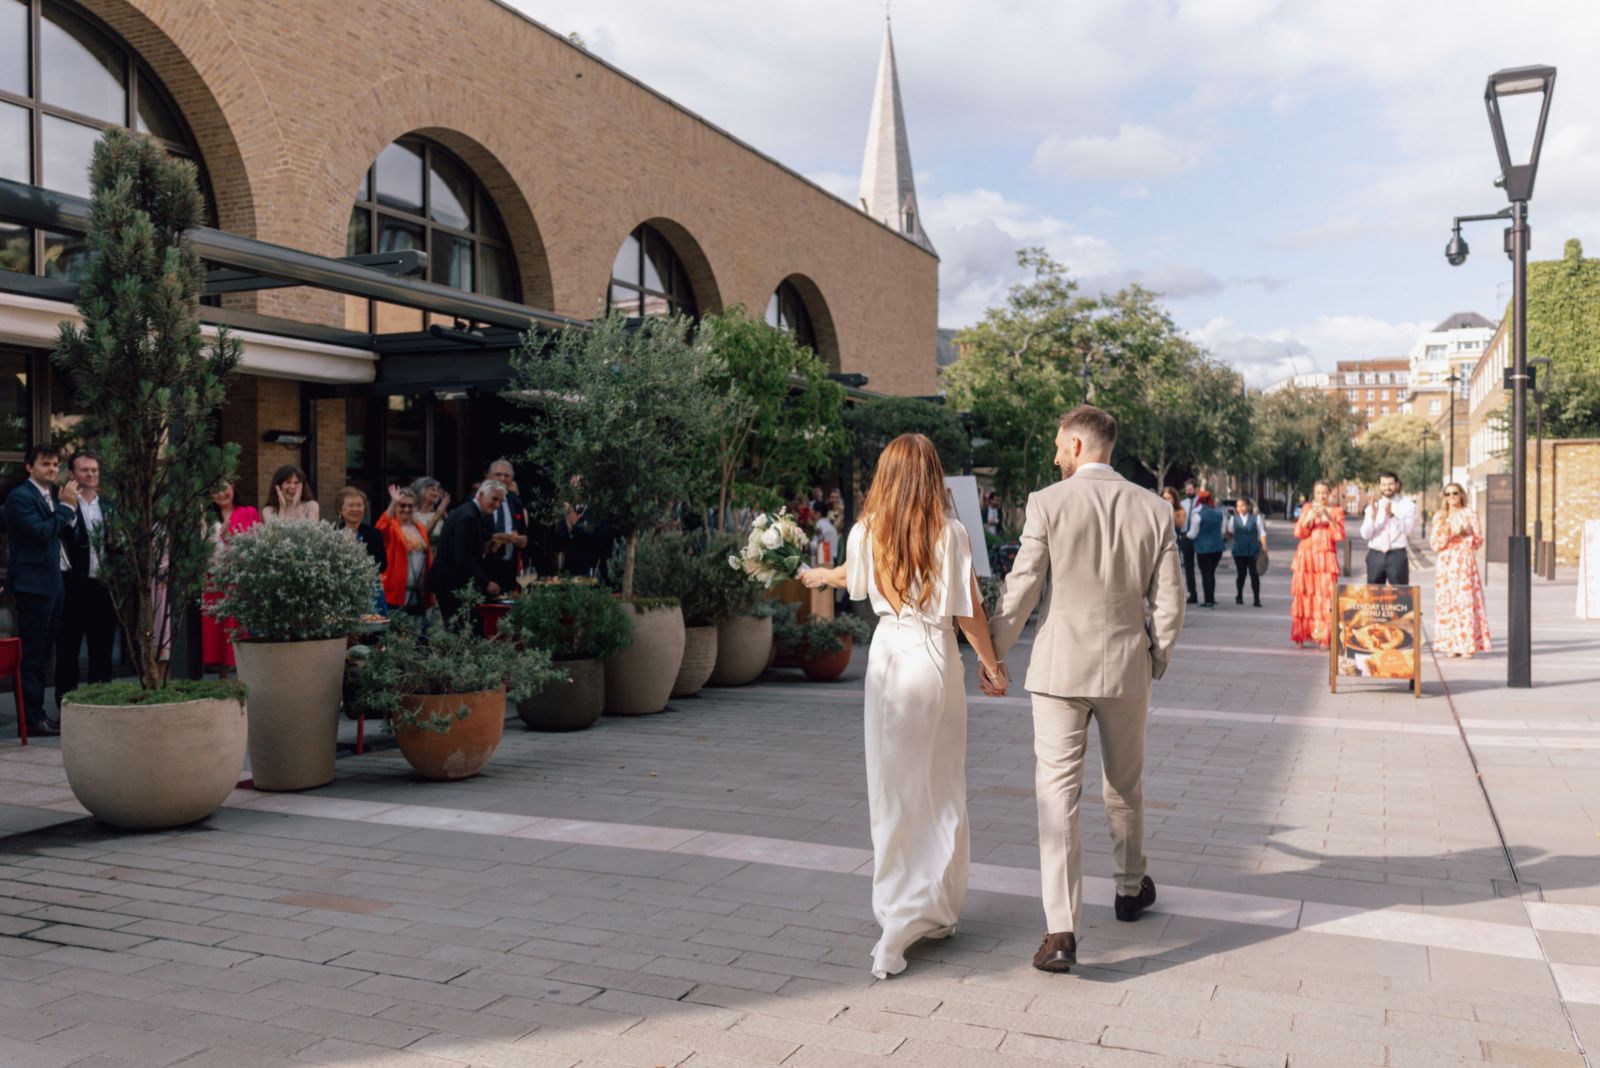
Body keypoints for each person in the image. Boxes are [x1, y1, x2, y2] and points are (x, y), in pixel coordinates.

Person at [987, 405, 1185, 974]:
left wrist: (994, 653)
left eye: (1057, 445)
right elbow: (1170, 603)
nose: (1054, 455)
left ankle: (1062, 930)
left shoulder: (1049, 502)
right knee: (1124, 786)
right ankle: (1127, 888)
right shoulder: (1154, 509)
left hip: (1057, 670)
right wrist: (1156, 659)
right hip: (1126, 668)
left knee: (1057, 797)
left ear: (1077, 445)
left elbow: (1022, 586)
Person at [800, 433, 1003, 979]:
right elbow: (967, 611)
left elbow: (856, 578)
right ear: (931, 475)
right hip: (930, 660)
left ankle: (897, 906)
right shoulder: (950, 532)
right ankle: (916, 915)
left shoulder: (866, 530)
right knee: (937, 789)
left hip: (886, 660)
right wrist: (991, 664)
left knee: (890, 788)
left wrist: (821, 574)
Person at [3, 445, 80, 735]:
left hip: (55, 582)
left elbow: (61, 530)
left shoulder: (53, 494)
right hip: (33, 586)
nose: (52, 469)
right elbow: (42, 531)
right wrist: (65, 509)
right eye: (46, 464)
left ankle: (38, 713)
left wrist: (65, 509)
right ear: (29, 467)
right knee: (32, 655)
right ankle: (32, 719)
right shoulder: (20, 498)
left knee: (45, 653)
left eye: (55, 464)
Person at [56, 451, 116, 702]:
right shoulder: (64, 502)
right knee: (69, 649)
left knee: (102, 648)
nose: (91, 474)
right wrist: (66, 508)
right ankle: (67, 704)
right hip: (74, 587)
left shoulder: (108, 505)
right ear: (72, 474)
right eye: (85, 470)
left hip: (104, 586)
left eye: (94, 470)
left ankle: (100, 701)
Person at [202, 480, 262, 679]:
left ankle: (246, 678)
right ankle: (223, 679)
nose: (221, 494)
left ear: (234, 488)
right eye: (215, 491)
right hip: (214, 580)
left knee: (239, 629)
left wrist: (230, 536)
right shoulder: (207, 518)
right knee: (218, 633)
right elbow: (202, 550)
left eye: (224, 488)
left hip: (239, 580)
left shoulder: (248, 512)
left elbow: (256, 545)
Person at [430, 479, 505, 626]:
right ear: (481, 494)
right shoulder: (468, 516)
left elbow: (464, 548)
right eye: (494, 499)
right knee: (459, 633)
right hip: (452, 585)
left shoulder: (470, 512)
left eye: (500, 501)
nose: (497, 505)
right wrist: (486, 583)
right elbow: (462, 557)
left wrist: (486, 548)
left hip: (452, 582)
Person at [1430, 483, 1491, 658]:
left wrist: (1465, 534)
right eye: (1447, 494)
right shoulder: (1440, 517)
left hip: (1464, 561)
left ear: (1461, 494)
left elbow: (1478, 542)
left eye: (1455, 493)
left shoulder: (1470, 514)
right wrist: (1448, 533)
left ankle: (1466, 645)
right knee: (1447, 602)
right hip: (1446, 563)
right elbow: (1435, 544)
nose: (1451, 497)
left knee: (1465, 602)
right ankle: (1450, 644)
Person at [1290, 479, 1345, 649]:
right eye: (1318, 493)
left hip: (1326, 558)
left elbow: (1340, 535)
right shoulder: (1307, 508)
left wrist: (1328, 517)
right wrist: (1309, 518)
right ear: (1314, 494)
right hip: (1307, 558)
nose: (1322, 496)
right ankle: (1301, 634)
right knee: (1305, 595)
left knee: (1326, 597)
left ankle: (1325, 637)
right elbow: (1298, 532)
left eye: (1325, 493)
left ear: (1330, 494)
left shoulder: (1337, 511)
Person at [377, 486, 431, 617]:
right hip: (397, 591)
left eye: (410, 506)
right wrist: (393, 502)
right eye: (402, 505)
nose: (406, 509)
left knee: (418, 630)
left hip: (419, 590)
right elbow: (379, 529)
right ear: (396, 507)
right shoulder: (392, 527)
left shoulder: (419, 528)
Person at [332, 486, 386, 612]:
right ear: (341, 509)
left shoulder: (374, 534)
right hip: (341, 593)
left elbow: (382, 564)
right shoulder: (333, 535)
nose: (355, 509)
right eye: (351, 505)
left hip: (370, 592)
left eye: (359, 505)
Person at [482, 459, 530, 592]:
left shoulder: (516, 501)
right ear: (489, 477)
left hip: (510, 567)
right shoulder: (480, 500)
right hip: (485, 567)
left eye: (506, 475)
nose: (502, 478)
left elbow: (523, 532)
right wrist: (493, 538)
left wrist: (523, 540)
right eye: (498, 474)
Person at [1360, 471, 1415, 586]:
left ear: (1397, 485)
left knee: (1400, 596)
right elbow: (1365, 535)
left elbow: (1408, 530)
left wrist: (1392, 516)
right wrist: (1372, 518)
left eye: (1390, 484)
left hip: (1397, 556)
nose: (1387, 488)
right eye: (1384, 484)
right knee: (1374, 597)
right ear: (1380, 486)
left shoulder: (1408, 506)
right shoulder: (1373, 506)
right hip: (1375, 555)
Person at [1185, 489, 1225, 608]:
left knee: (1205, 574)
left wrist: (1184, 536)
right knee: (1211, 573)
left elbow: (1192, 534)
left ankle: (1208, 600)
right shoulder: (1219, 513)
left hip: (1203, 548)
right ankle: (1211, 598)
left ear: (1199, 501)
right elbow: (1222, 531)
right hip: (1218, 548)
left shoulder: (1197, 515)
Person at [1226, 496, 1267, 607]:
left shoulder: (1256, 518)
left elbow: (1261, 532)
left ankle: (1256, 599)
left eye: (1243, 505)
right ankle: (1239, 595)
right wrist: (1222, 536)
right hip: (1239, 550)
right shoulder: (1233, 519)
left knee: (1254, 574)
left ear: (1248, 506)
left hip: (1253, 550)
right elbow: (1229, 533)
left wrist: (1264, 546)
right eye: (1238, 506)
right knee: (1241, 574)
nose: (1240, 508)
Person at [1177, 478, 1199, 605]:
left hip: (1198, 537)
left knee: (1203, 567)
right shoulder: (1183, 503)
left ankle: (1209, 594)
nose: (1188, 491)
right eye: (1187, 490)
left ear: (1195, 489)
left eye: (1190, 489)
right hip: (1185, 537)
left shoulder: (1200, 502)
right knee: (1188, 567)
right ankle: (1193, 593)